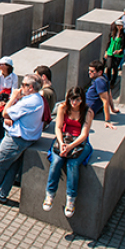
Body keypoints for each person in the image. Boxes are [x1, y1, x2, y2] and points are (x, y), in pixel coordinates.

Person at [0, 74, 45, 203]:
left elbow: (5, 112)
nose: (21, 87)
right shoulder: (36, 99)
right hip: (25, 136)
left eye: (23, 85)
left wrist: (13, 98)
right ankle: (1, 193)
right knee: (12, 165)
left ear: (31, 87)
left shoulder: (29, 101)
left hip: (16, 138)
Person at [43, 87, 94, 218]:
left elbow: (84, 134)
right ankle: (50, 194)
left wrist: (70, 147)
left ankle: (71, 199)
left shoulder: (88, 112)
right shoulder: (63, 108)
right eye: (72, 99)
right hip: (63, 139)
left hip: (79, 143)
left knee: (73, 164)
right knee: (57, 161)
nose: (74, 102)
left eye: (77, 99)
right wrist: (62, 144)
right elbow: (58, 128)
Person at [86, 60, 119, 129]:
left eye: (92, 71)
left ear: (99, 72)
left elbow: (105, 101)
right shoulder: (104, 77)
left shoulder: (99, 81)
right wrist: (112, 109)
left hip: (87, 109)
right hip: (90, 105)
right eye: (89, 70)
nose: (89, 72)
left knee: (60, 106)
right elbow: (109, 93)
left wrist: (107, 120)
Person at [104, 21, 125, 87]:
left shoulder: (123, 35)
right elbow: (109, 42)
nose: (119, 27)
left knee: (115, 68)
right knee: (108, 67)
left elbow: (124, 44)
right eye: (118, 26)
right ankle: (108, 80)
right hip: (110, 52)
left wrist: (120, 50)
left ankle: (113, 82)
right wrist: (106, 51)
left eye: (120, 26)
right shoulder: (112, 33)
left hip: (118, 54)